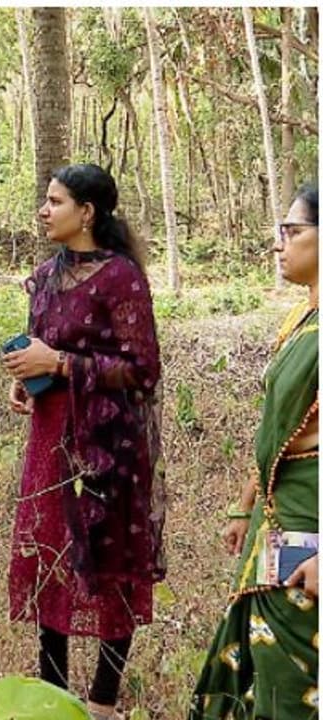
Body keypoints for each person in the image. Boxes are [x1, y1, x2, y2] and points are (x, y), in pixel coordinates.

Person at [2, 163, 166, 720]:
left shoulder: (121, 278)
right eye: (45, 200)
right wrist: (27, 379)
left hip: (108, 443)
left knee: (109, 561)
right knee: (51, 557)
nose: (44, 210)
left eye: (55, 201)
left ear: (87, 212)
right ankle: (54, 696)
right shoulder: (45, 276)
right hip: (51, 438)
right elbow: (41, 346)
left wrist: (60, 364)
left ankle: (102, 701)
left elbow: (142, 369)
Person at [189, 183, 318, 720]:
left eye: (293, 231)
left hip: (311, 529)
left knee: (298, 688)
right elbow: (274, 429)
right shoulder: (300, 321)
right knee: (264, 674)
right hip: (276, 520)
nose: (278, 243)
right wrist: (245, 506)